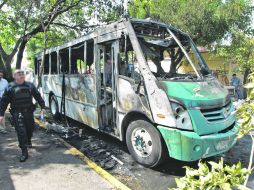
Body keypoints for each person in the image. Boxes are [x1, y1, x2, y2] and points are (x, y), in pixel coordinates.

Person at [0, 69, 46, 162]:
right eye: (19, 74)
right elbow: (4, 102)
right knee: (21, 132)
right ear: (14, 76)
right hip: (17, 113)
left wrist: (43, 107)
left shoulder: (30, 85)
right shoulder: (10, 87)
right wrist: (1, 114)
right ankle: (24, 152)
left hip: (29, 112)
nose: (21, 76)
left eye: (22, 74)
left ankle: (28, 140)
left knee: (30, 129)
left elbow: (37, 96)